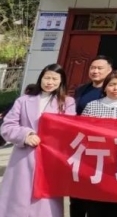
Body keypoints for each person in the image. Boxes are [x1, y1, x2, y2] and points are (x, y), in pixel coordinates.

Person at [0, 64, 76, 217]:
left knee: (45, 200)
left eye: (54, 79)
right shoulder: (23, 101)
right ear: (40, 78)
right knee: (18, 196)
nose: (50, 82)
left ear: (61, 81)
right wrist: (25, 135)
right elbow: (7, 126)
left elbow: (70, 128)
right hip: (23, 157)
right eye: (47, 78)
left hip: (50, 158)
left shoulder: (67, 102)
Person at [81, 70, 117, 217]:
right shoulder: (92, 105)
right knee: (94, 203)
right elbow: (82, 131)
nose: (116, 88)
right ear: (105, 87)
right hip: (96, 160)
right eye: (112, 84)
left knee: (116, 203)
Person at [71, 55, 113, 217]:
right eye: (92, 68)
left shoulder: (113, 90)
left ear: (109, 71)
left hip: (104, 149)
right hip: (82, 145)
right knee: (78, 189)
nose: (95, 71)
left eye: (100, 68)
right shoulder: (82, 90)